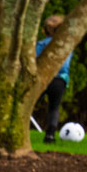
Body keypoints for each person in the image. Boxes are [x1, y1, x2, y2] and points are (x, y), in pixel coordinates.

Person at [34, 15, 73, 143]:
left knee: (29, 104)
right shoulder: (67, 45)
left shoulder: (41, 44)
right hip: (59, 80)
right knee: (54, 107)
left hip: (43, 78)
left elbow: (35, 60)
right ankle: (50, 135)